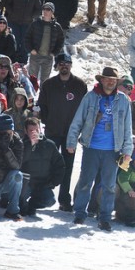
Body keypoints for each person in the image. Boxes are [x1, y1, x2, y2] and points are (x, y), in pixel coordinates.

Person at [66, 67, 133, 231]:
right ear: (101, 80)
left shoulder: (123, 100)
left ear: (117, 82)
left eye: (113, 79)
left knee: (109, 186)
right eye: (107, 78)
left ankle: (104, 218)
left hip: (113, 150)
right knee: (85, 182)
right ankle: (80, 214)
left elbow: (127, 127)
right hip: (91, 147)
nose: (110, 81)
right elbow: (78, 120)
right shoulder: (90, 97)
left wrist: (127, 150)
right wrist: (71, 142)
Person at [37, 53, 86, 211]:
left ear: (71, 65)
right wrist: (47, 121)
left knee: (67, 166)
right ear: (57, 66)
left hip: (71, 133)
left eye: (67, 63)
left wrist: (80, 128)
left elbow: (85, 109)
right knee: (47, 165)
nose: (64, 66)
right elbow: (41, 106)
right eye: (61, 63)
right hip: (52, 131)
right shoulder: (48, 84)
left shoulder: (80, 85)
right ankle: (42, 196)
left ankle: (64, 200)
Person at [19, 117, 65, 216]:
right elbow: (18, 163)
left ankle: (32, 205)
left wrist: (53, 183)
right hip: (25, 184)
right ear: (25, 131)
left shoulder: (49, 145)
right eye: (31, 130)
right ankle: (23, 206)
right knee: (19, 203)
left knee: (50, 201)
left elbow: (60, 165)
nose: (34, 133)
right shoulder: (21, 145)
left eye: (36, 130)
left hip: (42, 184)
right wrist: (30, 146)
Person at [4, 0, 41, 64]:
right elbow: (7, 3)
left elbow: (38, 9)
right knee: (14, 40)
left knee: (25, 41)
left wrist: (32, 16)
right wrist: (11, 12)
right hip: (14, 21)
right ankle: (13, 59)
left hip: (27, 23)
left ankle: (23, 60)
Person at [25, 2, 65, 82]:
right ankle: (32, 94)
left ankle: (43, 95)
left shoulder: (57, 27)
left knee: (45, 81)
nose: (45, 11)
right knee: (32, 80)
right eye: (44, 9)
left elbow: (60, 41)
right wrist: (31, 49)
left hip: (48, 57)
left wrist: (54, 52)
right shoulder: (35, 24)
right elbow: (27, 37)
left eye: (48, 9)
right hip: (35, 56)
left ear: (52, 12)